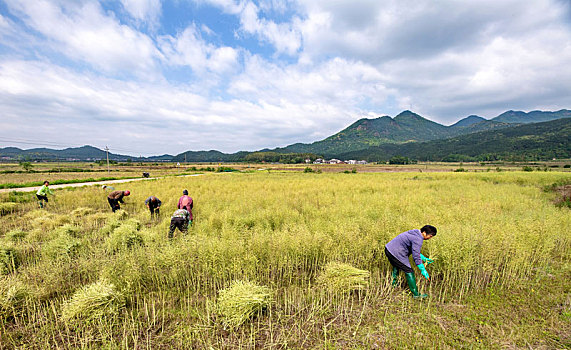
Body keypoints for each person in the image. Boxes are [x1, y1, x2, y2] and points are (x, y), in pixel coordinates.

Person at [385, 225, 437, 298]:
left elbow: (414, 249)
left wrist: (424, 258)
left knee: (397, 265)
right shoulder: (418, 239)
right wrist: (423, 269)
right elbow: (416, 256)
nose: (430, 238)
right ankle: (416, 294)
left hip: (389, 249)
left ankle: (393, 284)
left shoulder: (415, 232)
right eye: (430, 236)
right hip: (396, 252)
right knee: (409, 271)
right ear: (424, 233)